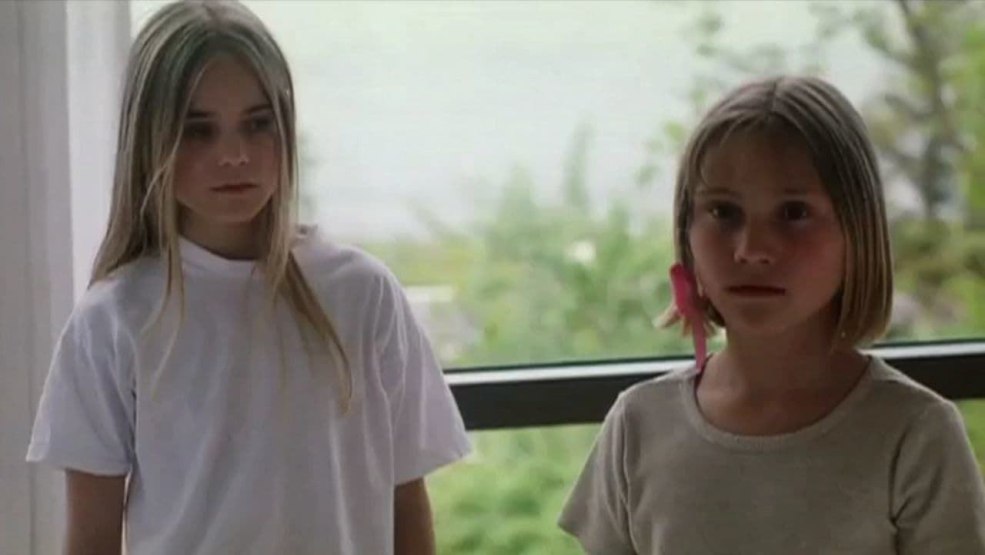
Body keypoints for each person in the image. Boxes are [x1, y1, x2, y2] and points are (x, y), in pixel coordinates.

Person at [26, 2, 470, 553]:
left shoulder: (362, 294)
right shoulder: (113, 321)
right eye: (198, 131)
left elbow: (407, 506)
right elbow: (91, 539)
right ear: (150, 140)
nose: (234, 155)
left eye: (257, 124)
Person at [558, 75, 985, 554]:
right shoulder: (639, 425)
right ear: (686, 232)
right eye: (723, 212)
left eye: (794, 213)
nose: (752, 249)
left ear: (857, 232)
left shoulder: (915, 433)